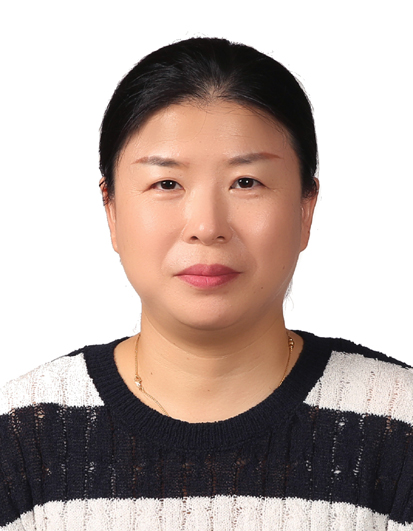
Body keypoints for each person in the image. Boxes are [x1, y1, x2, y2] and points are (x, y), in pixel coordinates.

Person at [1, 37, 412, 530]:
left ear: (306, 208)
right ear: (111, 211)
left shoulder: (397, 425)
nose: (206, 226)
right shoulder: (22, 437)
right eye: (166, 184)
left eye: (246, 182)